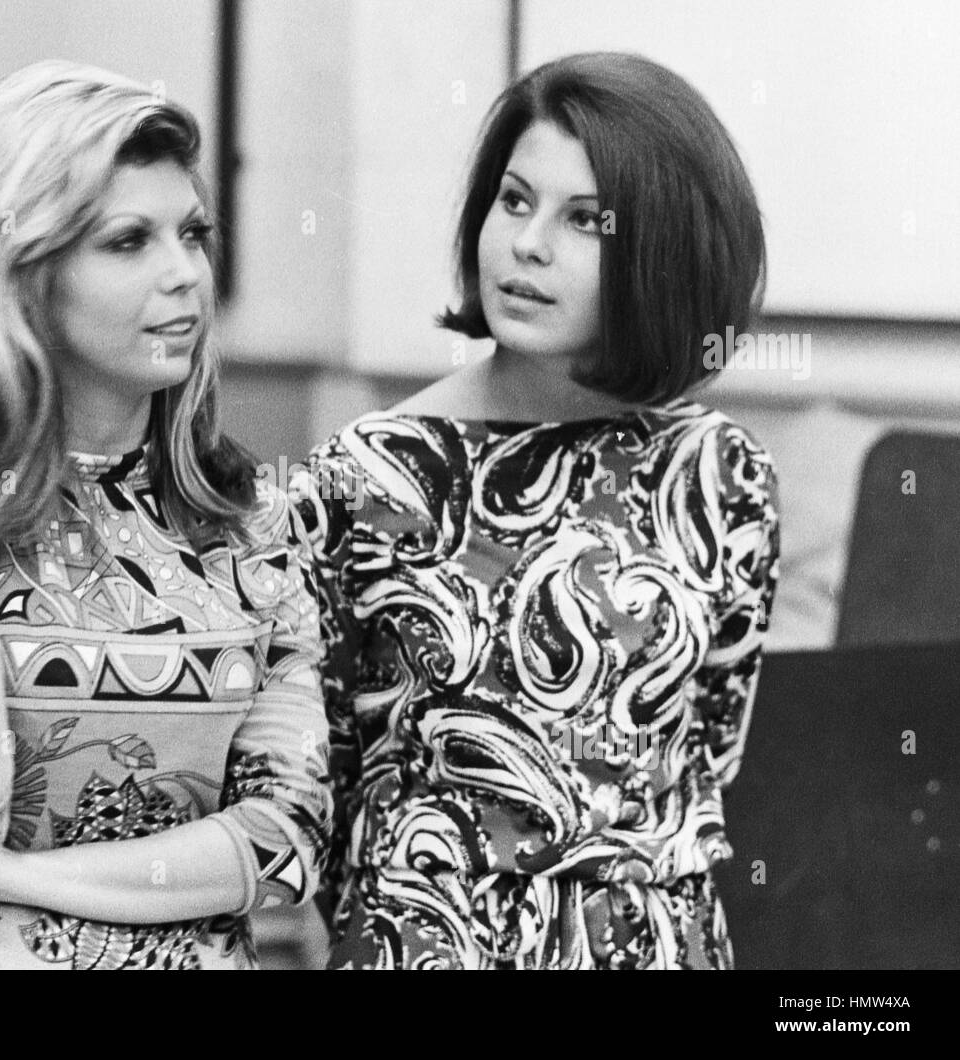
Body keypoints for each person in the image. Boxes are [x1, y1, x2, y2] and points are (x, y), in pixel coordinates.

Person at [0, 60, 330, 970]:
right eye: (129, 241)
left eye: (194, 235)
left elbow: (285, 843)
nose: (186, 277)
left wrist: (13, 876)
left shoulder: (258, 523)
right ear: (21, 275)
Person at [289, 52, 780, 970]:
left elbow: (712, 751)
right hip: (425, 938)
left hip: (651, 943)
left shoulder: (721, 475)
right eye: (514, 202)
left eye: (585, 220)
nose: (527, 245)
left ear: (663, 251)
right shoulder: (365, 473)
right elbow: (322, 775)